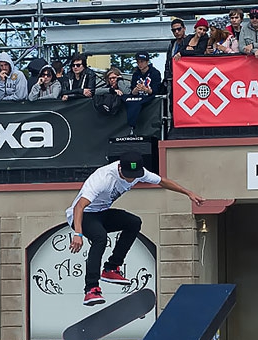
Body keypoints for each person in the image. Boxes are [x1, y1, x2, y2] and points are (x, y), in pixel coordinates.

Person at [67, 152, 205, 306]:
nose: (131, 179)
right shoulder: (103, 178)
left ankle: (111, 268)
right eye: (127, 176)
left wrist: (188, 193)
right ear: (120, 168)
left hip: (102, 213)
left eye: (134, 176)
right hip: (83, 215)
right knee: (100, 237)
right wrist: (78, 233)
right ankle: (91, 289)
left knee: (133, 222)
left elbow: (162, 182)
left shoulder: (140, 173)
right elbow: (79, 207)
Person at [125, 53, 161, 134]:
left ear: (147, 62)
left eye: (142, 62)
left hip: (150, 102)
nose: (140, 64)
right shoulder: (135, 74)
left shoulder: (155, 73)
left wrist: (146, 89)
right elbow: (132, 91)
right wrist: (135, 90)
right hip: (138, 99)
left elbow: (156, 91)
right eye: (138, 62)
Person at [165, 19, 187, 95]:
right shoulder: (172, 44)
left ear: (184, 29)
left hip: (186, 78)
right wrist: (167, 78)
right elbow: (167, 62)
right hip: (173, 78)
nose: (176, 32)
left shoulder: (190, 41)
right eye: (174, 30)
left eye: (179, 29)